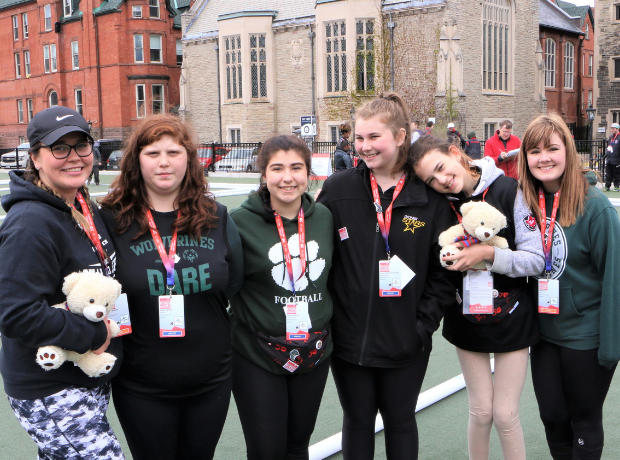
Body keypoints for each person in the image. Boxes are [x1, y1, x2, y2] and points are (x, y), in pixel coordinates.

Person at [317, 93, 456, 460]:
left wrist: (421, 327)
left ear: (399, 136)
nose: (364, 147)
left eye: (373, 137)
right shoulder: (338, 189)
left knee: (400, 421)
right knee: (357, 421)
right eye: (359, 138)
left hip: (405, 342)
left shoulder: (429, 197)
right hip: (349, 343)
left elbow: (443, 275)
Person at [99, 114, 243, 460]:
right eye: (152, 153)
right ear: (136, 161)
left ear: (189, 160)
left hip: (211, 380)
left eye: (174, 152)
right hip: (141, 384)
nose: (164, 162)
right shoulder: (111, 219)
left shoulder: (217, 216)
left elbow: (233, 283)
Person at [0, 106, 123, 459]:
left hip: (84, 376)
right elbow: (15, 314)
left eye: (81, 145)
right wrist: (95, 334)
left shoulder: (81, 204)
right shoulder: (29, 224)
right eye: (59, 148)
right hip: (49, 385)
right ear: (36, 158)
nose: (73, 157)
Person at [412, 135, 544, 460]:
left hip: (513, 315)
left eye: (441, 168)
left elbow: (536, 260)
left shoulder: (509, 190)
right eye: (431, 179)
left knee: (505, 414)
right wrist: (446, 257)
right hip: (466, 316)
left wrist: (488, 253)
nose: (441, 181)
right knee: (481, 411)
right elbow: (433, 257)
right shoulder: (441, 205)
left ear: (455, 153)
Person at [519, 113, 620, 460]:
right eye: (534, 151)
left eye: (552, 148)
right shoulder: (524, 204)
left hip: (585, 336)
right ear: (525, 158)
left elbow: (614, 277)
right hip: (543, 334)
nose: (543, 157)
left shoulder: (596, 207)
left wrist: (611, 347)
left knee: (584, 422)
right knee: (552, 419)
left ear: (568, 150)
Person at [229, 135, 333, 459]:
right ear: (263, 174)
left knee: (298, 444)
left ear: (308, 172)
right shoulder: (237, 222)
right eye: (277, 168)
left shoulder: (325, 218)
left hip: (314, 349)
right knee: (266, 450)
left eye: (296, 168)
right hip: (255, 353)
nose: (287, 177)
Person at [604, 122, 620, 191]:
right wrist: (606, 155)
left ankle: (616, 186)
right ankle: (607, 186)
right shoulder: (611, 137)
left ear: (617, 129)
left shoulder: (619, 137)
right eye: (611, 129)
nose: (612, 130)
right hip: (609, 159)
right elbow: (609, 147)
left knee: (616, 174)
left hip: (616, 159)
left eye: (613, 129)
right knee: (608, 173)